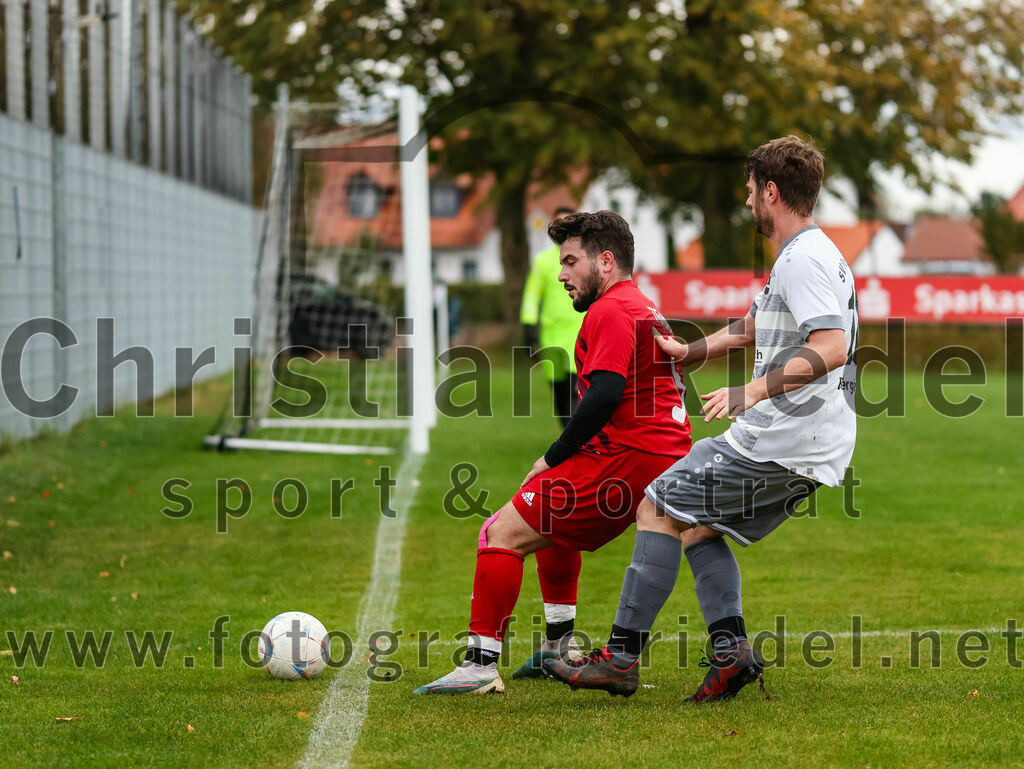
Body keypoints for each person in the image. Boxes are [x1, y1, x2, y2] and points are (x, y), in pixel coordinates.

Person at [545, 135, 858, 702]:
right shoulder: (811, 252)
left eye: (750, 191)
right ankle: (731, 655)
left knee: (657, 506)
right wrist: (691, 352)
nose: (747, 201)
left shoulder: (803, 259)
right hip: (814, 443)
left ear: (772, 191)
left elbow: (831, 347)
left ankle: (619, 659)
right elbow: (753, 326)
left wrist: (752, 390)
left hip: (782, 437)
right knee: (696, 526)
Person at [414, 210, 692, 694]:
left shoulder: (610, 309)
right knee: (553, 526)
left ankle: (479, 666)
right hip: (659, 456)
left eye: (570, 261)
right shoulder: (642, 304)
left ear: (605, 262)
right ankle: (558, 646)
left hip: (628, 456)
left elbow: (605, 392)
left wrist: (555, 454)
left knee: (499, 533)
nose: (561, 274)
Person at [520, 206, 585, 428]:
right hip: (551, 335)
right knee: (559, 390)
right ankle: (568, 432)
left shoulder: (585, 260)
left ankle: (576, 436)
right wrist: (528, 325)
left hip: (578, 332)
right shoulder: (543, 261)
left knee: (576, 387)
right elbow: (531, 295)